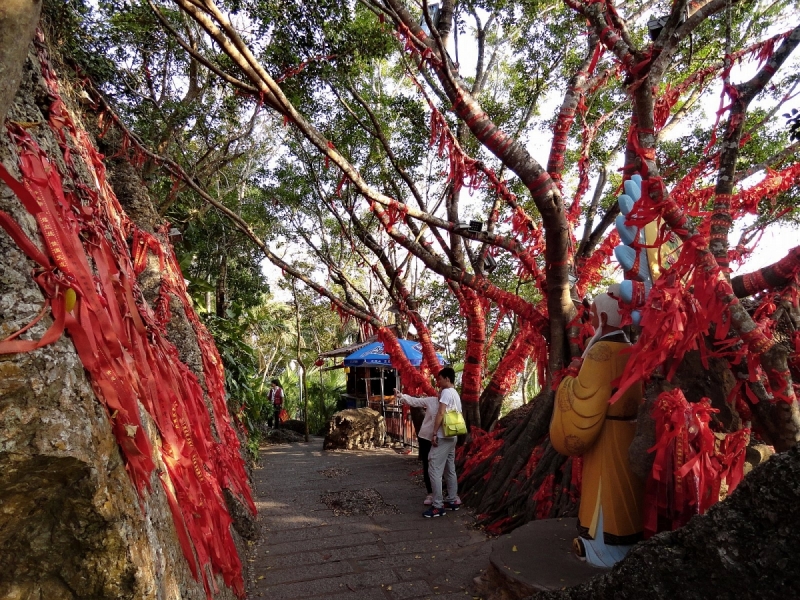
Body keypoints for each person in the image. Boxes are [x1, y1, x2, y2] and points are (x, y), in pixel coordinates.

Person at [549, 289, 644, 567]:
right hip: (630, 430)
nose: (589, 321)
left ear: (602, 316)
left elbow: (586, 396)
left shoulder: (601, 351)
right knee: (628, 494)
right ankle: (626, 544)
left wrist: (567, 383)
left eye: (590, 316)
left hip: (607, 436)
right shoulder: (632, 349)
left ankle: (601, 552)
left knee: (607, 491)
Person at [425, 367, 463, 518]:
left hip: (443, 435)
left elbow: (441, 412)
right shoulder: (455, 393)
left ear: (447, 379)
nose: (438, 381)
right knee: (449, 468)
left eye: (440, 379)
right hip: (453, 435)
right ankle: (452, 500)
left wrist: (434, 433)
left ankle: (437, 505)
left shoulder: (446, 392)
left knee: (433, 467)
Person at [395, 388, 438, 506]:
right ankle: (430, 493)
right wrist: (402, 396)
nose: (441, 392)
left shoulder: (452, 401)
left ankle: (448, 495)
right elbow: (415, 401)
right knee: (427, 464)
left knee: (441, 466)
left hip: (442, 439)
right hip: (426, 437)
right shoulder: (432, 401)